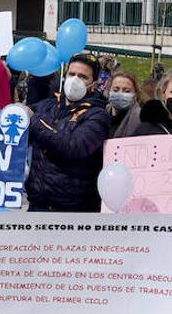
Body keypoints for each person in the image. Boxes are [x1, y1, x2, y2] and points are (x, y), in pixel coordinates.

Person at [25, 53, 111, 212]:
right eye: (72, 74)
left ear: (94, 84)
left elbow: (73, 146)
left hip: (72, 211)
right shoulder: (49, 106)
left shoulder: (98, 116)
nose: (75, 80)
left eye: (83, 77)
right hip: (38, 205)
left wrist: (34, 121)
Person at [104, 71, 145, 138]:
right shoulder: (101, 114)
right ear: (109, 91)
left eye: (127, 91)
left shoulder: (141, 120)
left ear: (135, 94)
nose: (120, 93)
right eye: (115, 90)